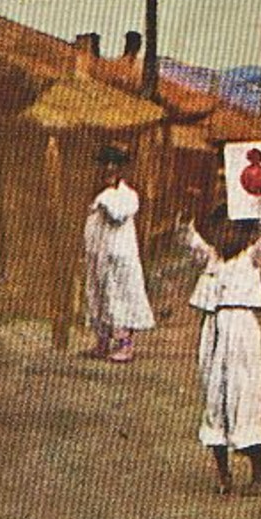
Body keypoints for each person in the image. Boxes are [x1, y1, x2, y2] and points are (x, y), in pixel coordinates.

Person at [181, 209, 261, 496]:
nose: (227, 236)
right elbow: (189, 239)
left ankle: (258, 474)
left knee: (244, 395)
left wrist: (258, 206)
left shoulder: (250, 257)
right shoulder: (211, 259)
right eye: (221, 230)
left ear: (247, 234)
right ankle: (223, 475)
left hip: (241, 328)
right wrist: (188, 209)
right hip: (213, 328)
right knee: (214, 396)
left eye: (234, 230)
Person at [83, 144, 156, 362]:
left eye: (114, 164)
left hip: (120, 258)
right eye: (105, 164)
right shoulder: (97, 194)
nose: (109, 168)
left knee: (121, 298)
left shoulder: (128, 195)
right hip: (99, 256)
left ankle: (125, 344)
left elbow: (118, 215)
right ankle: (102, 342)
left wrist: (104, 199)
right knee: (99, 296)